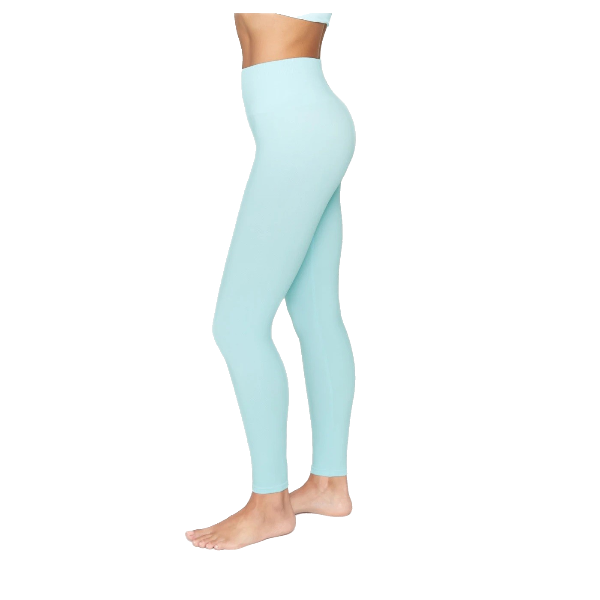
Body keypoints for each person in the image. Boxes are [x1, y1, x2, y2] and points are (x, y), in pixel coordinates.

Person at [185, 12, 356, 550]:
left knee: (237, 326)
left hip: (299, 132)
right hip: (305, 126)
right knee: (316, 313)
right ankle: (328, 484)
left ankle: (269, 503)